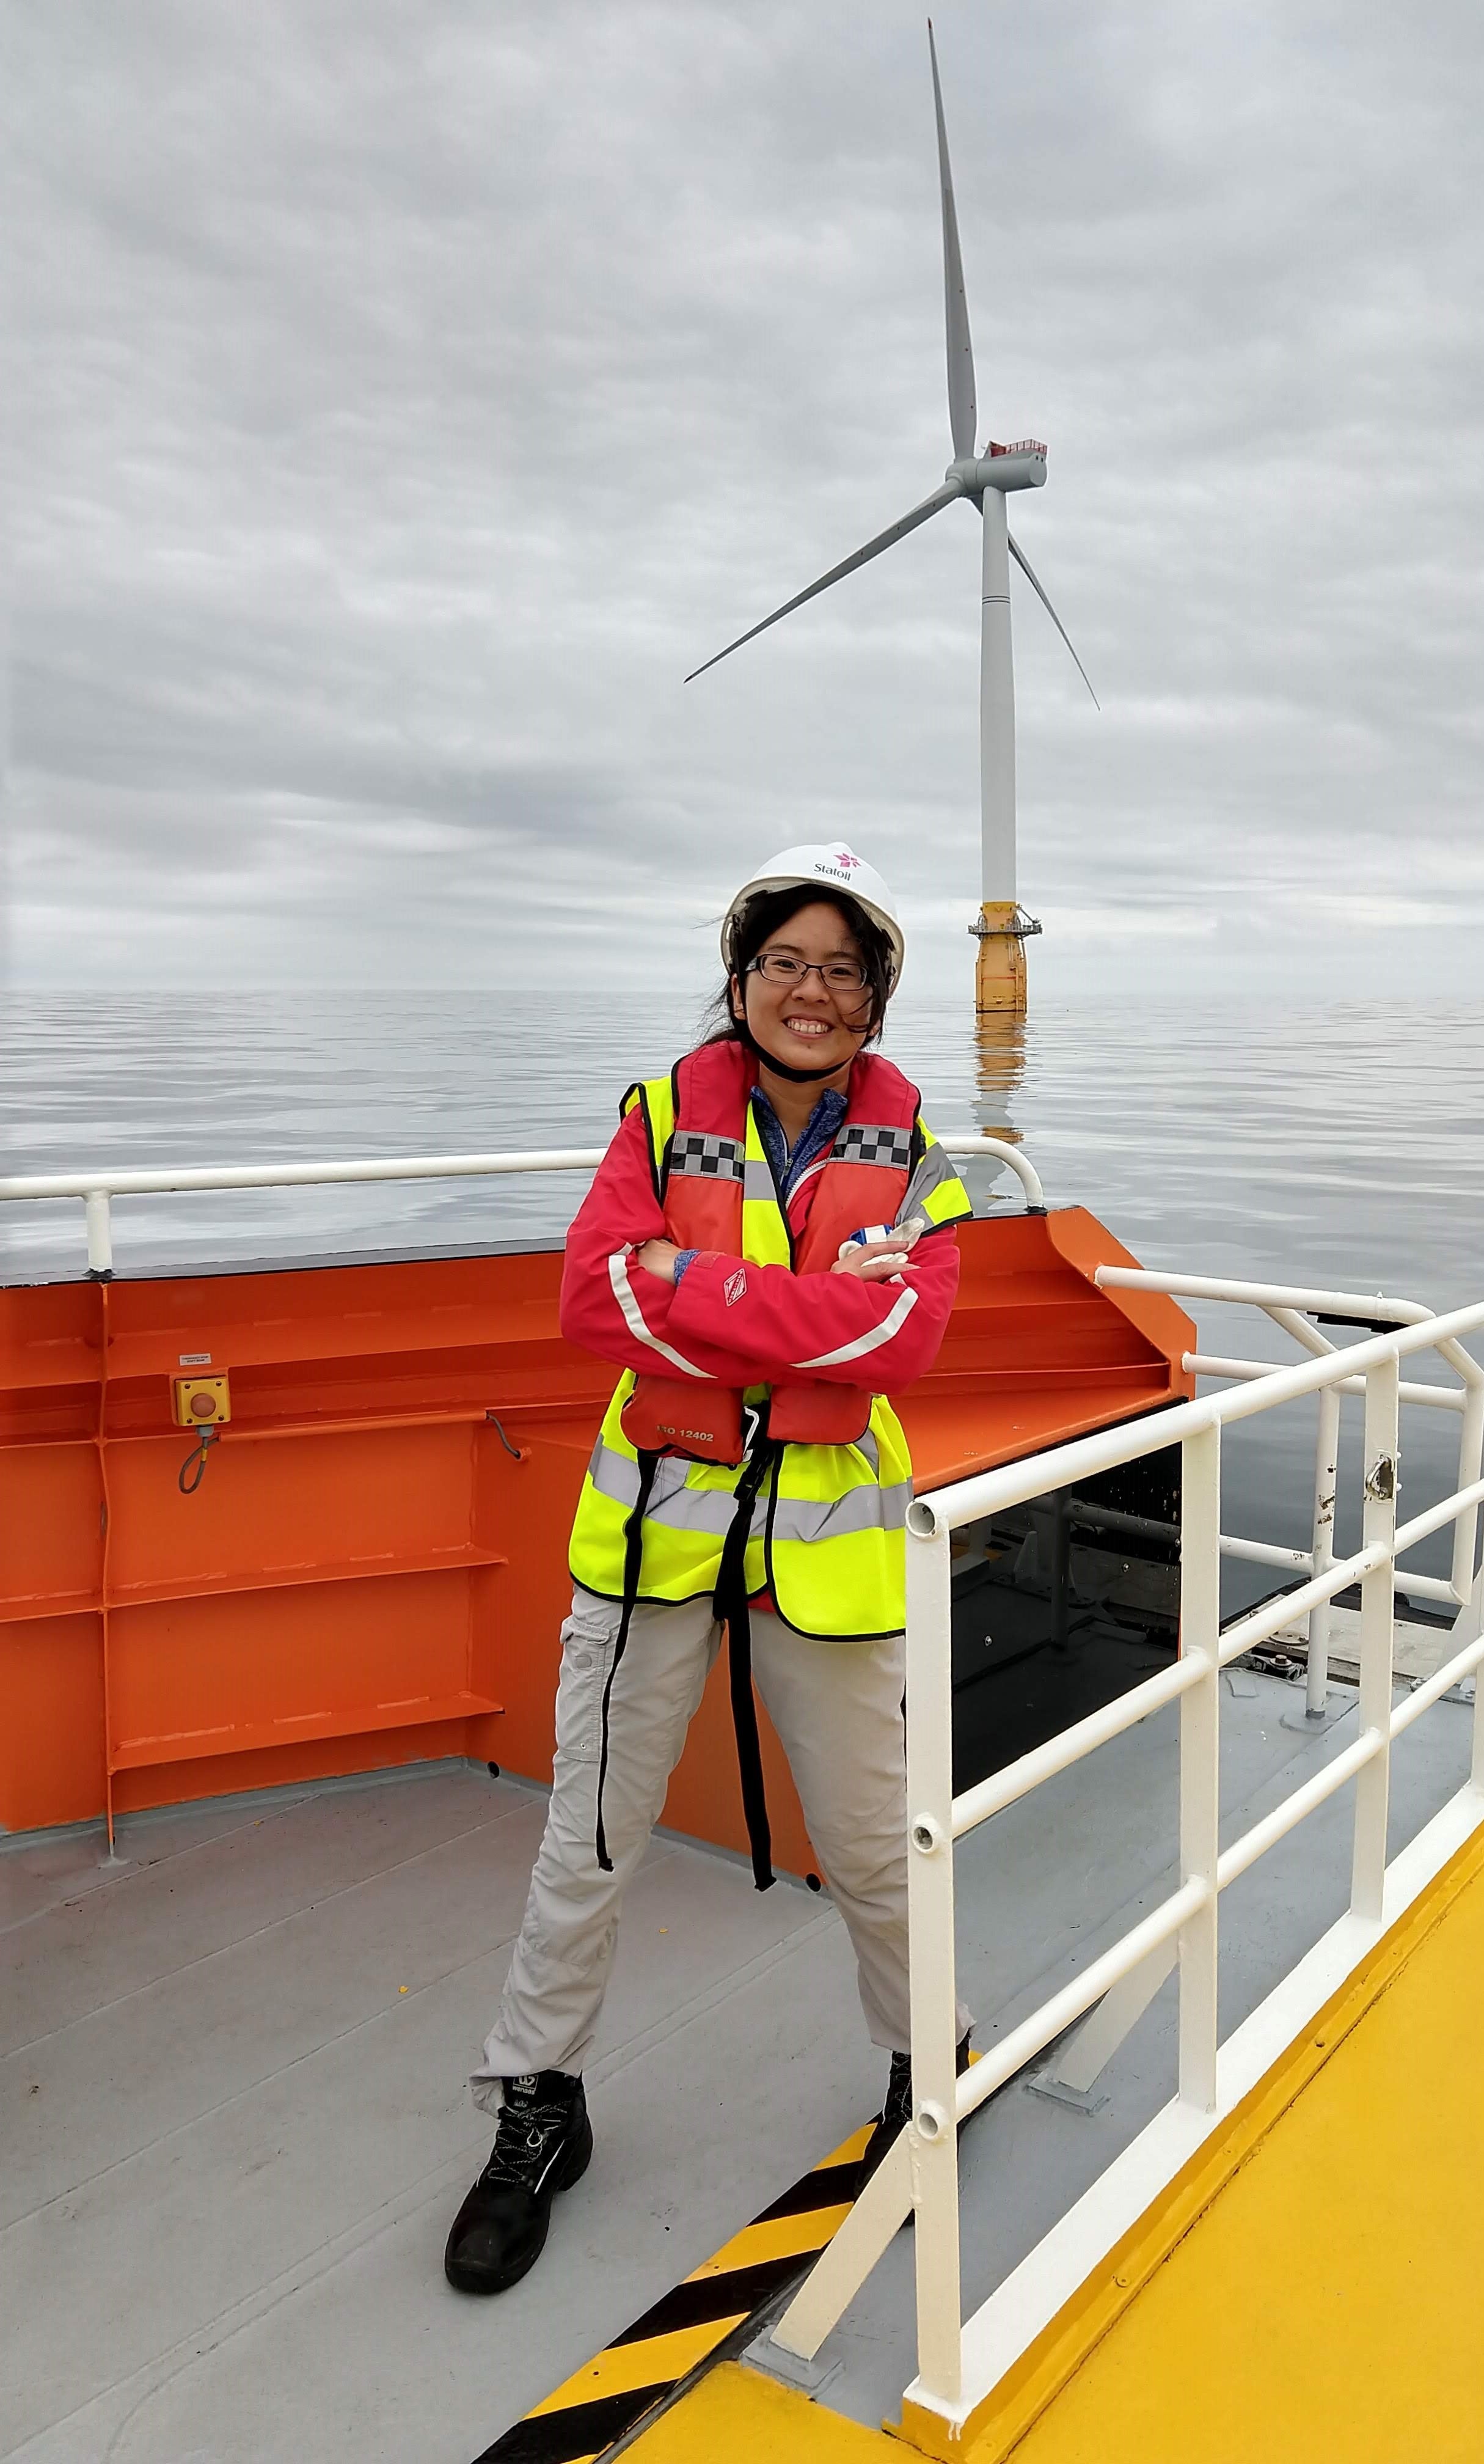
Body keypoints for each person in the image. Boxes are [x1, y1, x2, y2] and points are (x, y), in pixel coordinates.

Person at [445, 844, 974, 2297]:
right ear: (741, 978)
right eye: (787, 963)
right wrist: (802, 1308)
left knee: (877, 1851)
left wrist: (701, 1295)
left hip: (831, 1562)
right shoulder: (658, 1117)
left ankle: (929, 2072)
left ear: (876, 998)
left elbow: (902, 1344)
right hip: (653, 1544)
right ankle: (537, 2105)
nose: (813, 990)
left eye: (843, 969)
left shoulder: (922, 1155)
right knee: (590, 1844)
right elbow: (594, 1293)